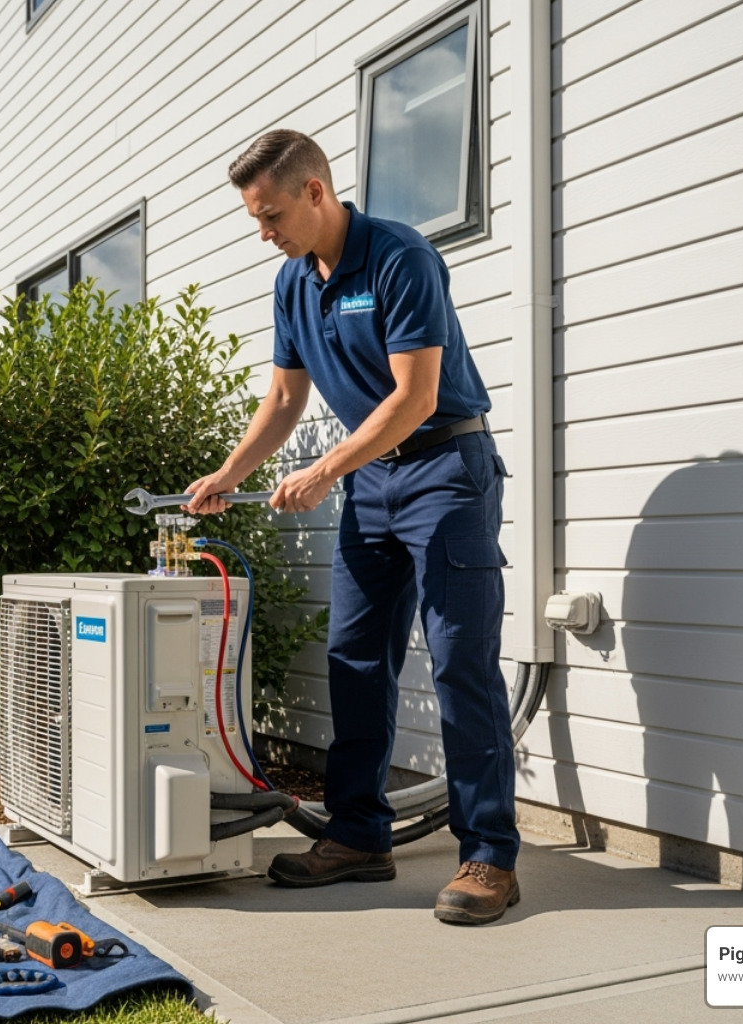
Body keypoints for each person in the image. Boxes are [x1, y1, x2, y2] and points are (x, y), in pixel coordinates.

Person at [184, 129, 520, 925]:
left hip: (445, 472)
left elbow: (417, 397)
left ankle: (490, 857)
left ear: (314, 191)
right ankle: (361, 835)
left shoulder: (400, 257)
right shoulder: (293, 283)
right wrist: (229, 474)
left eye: (270, 215)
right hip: (374, 483)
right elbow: (283, 400)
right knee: (354, 659)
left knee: (458, 665)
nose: (263, 232)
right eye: (254, 219)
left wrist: (327, 469)